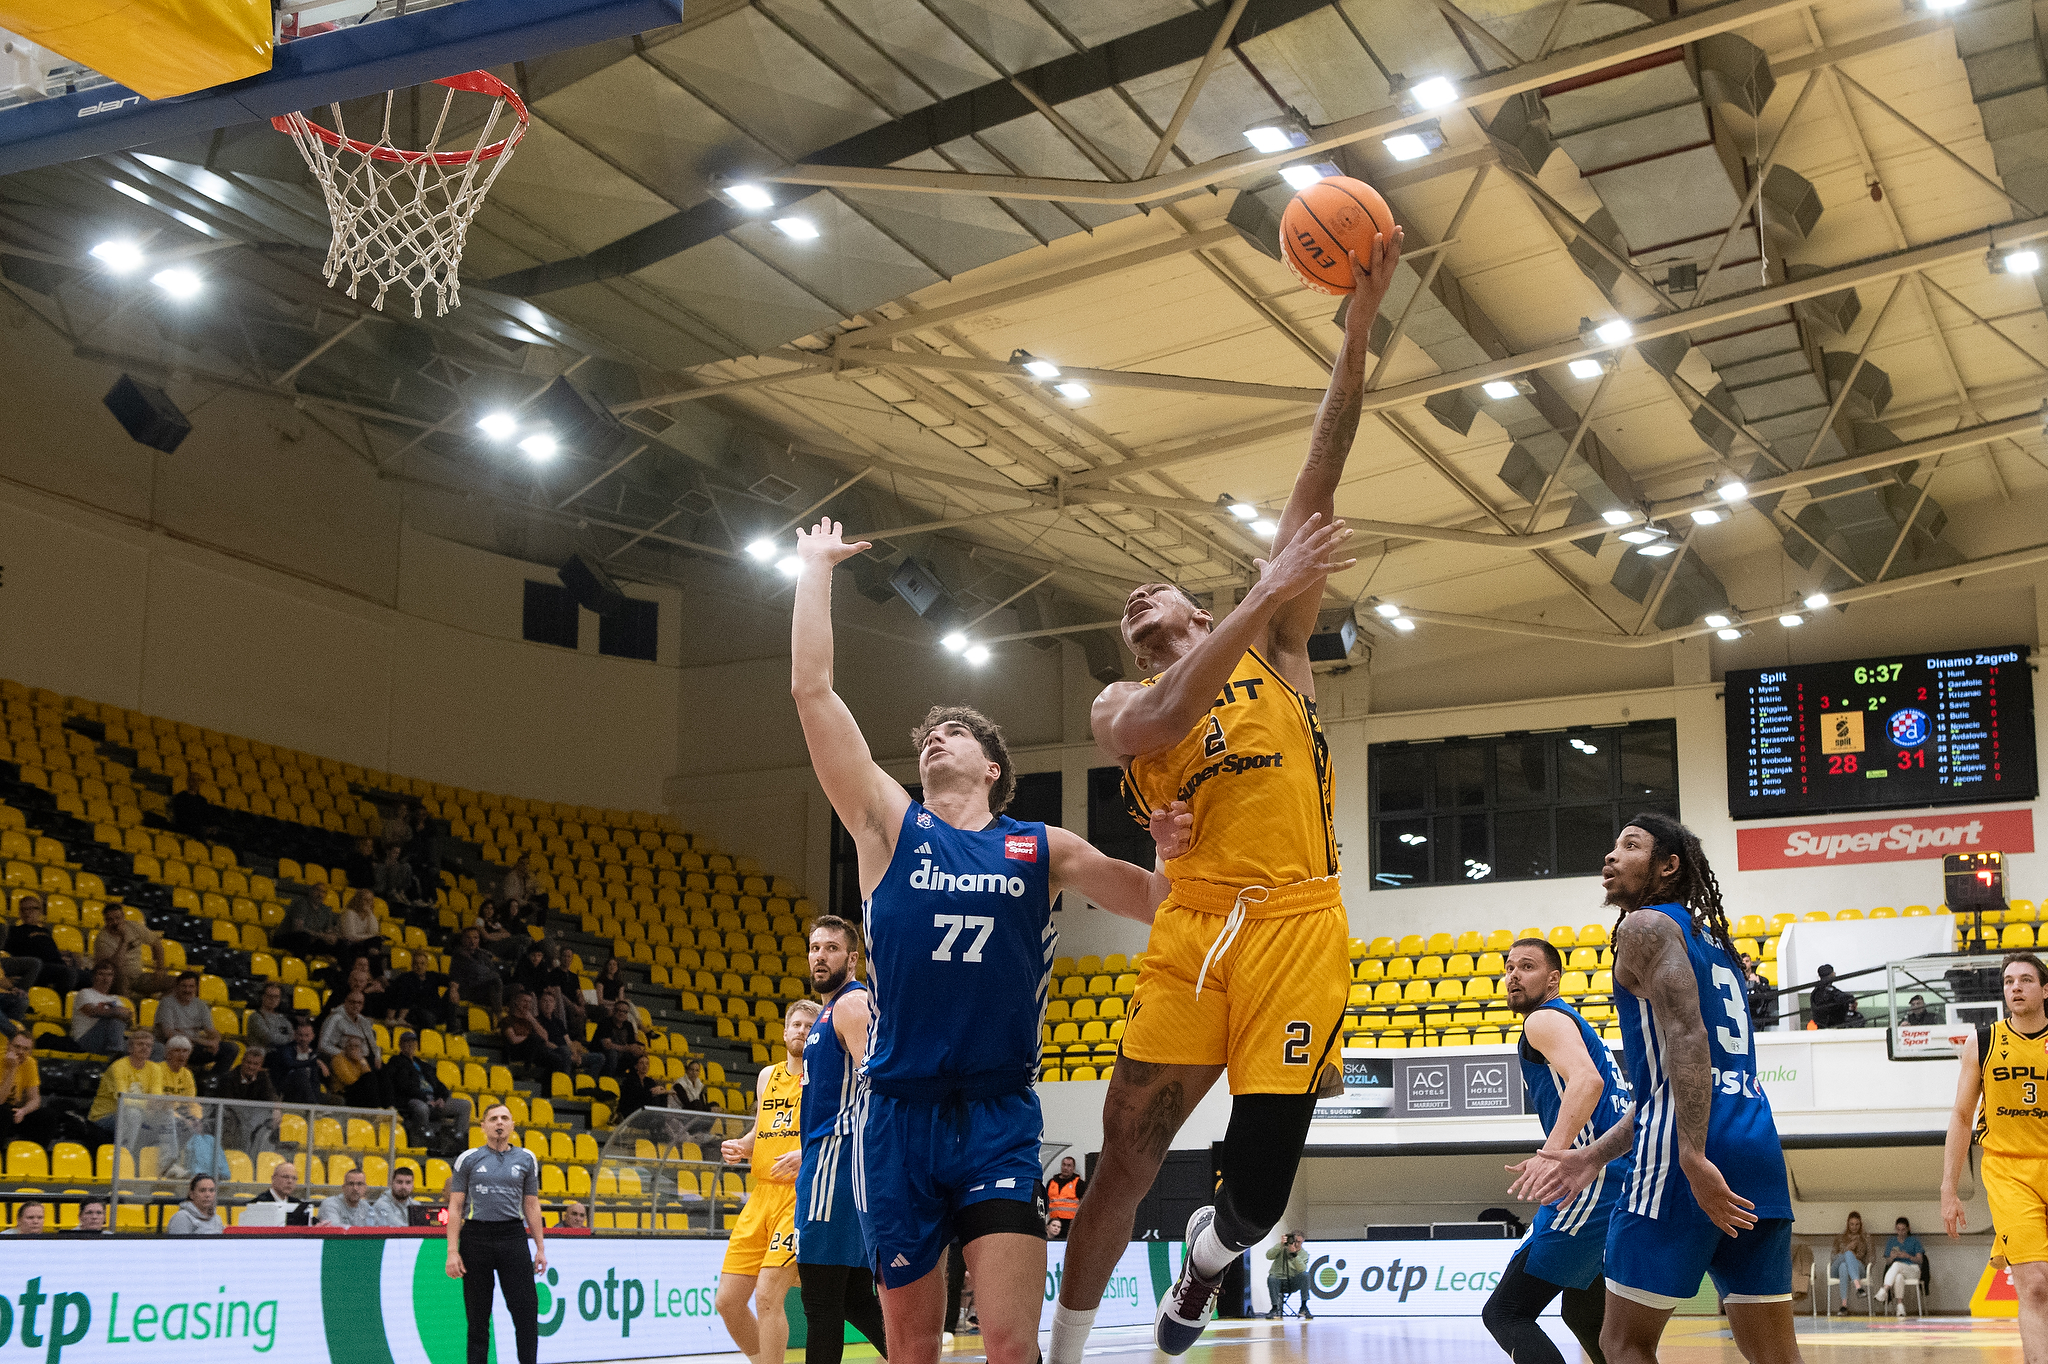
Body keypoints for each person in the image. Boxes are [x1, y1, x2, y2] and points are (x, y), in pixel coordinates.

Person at [1051, 231, 1404, 1364]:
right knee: (1124, 1149)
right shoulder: (1121, 700)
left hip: (1299, 927)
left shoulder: (1279, 646)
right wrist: (1253, 594)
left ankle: (1208, 1257)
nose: (1134, 599)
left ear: (1196, 609)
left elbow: (1321, 466)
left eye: (1156, 592)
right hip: (1196, 921)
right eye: (1126, 607)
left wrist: (1354, 329)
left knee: (1250, 1198)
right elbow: (1155, 724)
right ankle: (1064, 1349)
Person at [790, 518, 1174, 1364]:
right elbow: (815, 695)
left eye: (955, 732)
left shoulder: (1041, 847)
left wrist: (1180, 837)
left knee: (1007, 1341)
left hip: (998, 1115)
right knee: (912, 1344)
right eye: (928, 733)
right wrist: (814, 569)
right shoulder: (888, 826)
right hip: (896, 1115)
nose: (935, 737)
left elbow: (1157, 901)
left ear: (993, 766)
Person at [1514, 815, 1797, 1364]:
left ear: (1668, 866)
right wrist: (1589, 1157)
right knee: (1776, 1356)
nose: (1611, 856)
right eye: (1614, 845)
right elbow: (1663, 1090)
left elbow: (1687, 1040)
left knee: (1622, 1343)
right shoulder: (1711, 940)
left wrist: (1690, 1153)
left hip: (1681, 1154)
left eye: (1631, 845)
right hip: (1756, 1146)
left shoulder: (1644, 926)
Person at [1490, 937, 1634, 1364]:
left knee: (1505, 1312)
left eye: (1527, 966)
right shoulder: (1571, 1022)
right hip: (1615, 1172)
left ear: (1553, 979)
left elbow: (1586, 1082)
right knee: (1585, 1315)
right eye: (1509, 966)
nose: (1513, 975)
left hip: (1590, 1179)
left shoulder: (1544, 1019)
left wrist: (1551, 1155)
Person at [1943, 951, 2048, 1357]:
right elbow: (1961, 1116)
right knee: (2035, 1284)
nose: (2016, 987)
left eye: (2025, 979)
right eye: (2008, 981)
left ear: (2044, 989)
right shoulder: (1983, 1041)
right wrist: (1948, 1187)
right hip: (2009, 1171)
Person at [795, 917, 889, 1364]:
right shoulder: (825, 1013)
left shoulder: (852, 1004)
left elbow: (876, 1079)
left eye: (831, 948)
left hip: (836, 1158)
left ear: (852, 959)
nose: (819, 956)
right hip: (826, 1154)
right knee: (853, 1296)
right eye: (815, 947)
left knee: (819, 1297)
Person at [717, 1000, 818, 1364]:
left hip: (798, 1197)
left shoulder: (822, 1077)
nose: (802, 1031)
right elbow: (763, 1128)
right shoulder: (766, 1076)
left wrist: (807, 1155)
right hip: (760, 1196)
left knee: (768, 1296)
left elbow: (835, 1133)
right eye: (796, 1024)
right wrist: (742, 1146)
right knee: (728, 1301)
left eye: (810, 1025)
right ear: (785, 1031)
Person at [447, 1102, 548, 1364]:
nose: (499, 1123)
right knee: (478, 1317)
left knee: (526, 1313)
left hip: (512, 1235)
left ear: (513, 1125)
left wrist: (540, 1248)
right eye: (493, 1119)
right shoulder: (468, 1159)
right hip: (476, 1237)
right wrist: (452, 1251)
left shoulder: (527, 1158)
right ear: (483, 1126)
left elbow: (531, 1205)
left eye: (505, 1118)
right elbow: (456, 1206)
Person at [388, 1030, 473, 1148]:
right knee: (422, 1108)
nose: (410, 1045)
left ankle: (457, 1141)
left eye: (413, 1042)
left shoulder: (424, 1065)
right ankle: (425, 1140)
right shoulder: (396, 1062)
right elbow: (403, 1085)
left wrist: (441, 1098)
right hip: (414, 1099)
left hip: (433, 1100)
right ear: (400, 1045)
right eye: (407, 1042)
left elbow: (439, 1085)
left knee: (465, 1105)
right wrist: (424, 1099)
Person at [154, 971, 241, 1078]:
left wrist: (215, 1041)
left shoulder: (201, 1005)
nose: (187, 990)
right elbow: (169, 1034)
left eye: (191, 986)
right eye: (184, 986)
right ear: (177, 987)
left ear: (196, 988)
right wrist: (204, 1042)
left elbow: (211, 1031)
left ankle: (211, 1081)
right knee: (178, 1044)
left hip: (194, 1046)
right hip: (172, 1046)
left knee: (231, 1049)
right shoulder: (167, 1003)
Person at [89, 1028, 162, 1139]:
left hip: (141, 1112)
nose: (145, 1048)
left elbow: (157, 1097)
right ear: (130, 1048)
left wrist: (154, 1106)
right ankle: (126, 1154)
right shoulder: (118, 1067)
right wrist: (149, 1105)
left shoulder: (155, 1068)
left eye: (149, 1045)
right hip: (106, 1116)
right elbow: (124, 1100)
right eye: (140, 1044)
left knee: (167, 1116)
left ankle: (168, 1155)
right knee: (133, 1114)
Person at [6, 893, 83, 994]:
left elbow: (51, 950)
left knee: (90, 976)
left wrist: (64, 955)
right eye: (24, 909)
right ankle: (59, 1001)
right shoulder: (13, 931)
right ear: (20, 912)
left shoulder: (45, 931)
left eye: (33, 908)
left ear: (40, 911)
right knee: (69, 973)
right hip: (36, 968)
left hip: (55, 966)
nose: (28, 912)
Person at [93, 906, 173, 998]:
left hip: (139, 976)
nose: (115, 922)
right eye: (110, 920)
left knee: (178, 983)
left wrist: (160, 968)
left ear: (123, 917)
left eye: (117, 918)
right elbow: (115, 965)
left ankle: (158, 1007)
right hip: (117, 980)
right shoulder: (102, 940)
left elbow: (156, 942)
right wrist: (124, 940)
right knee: (121, 978)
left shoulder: (133, 927)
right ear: (105, 921)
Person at [217, 1045, 279, 1154]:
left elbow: (271, 1096)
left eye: (256, 1064)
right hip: (232, 1117)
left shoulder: (263, 1077)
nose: (251, 1067)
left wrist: (276, 1110)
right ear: (242, 1061)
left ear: (260, 1066)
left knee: (271, 1122)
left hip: (253, 1118)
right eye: (248, 1063)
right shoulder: (228, 1078)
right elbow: (229, 1104)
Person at [69, 961, 133, 1054]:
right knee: (114, 1020)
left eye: (109, 975)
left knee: (154, 1046)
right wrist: (116, 1011)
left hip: (110, 1038)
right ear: (94, 976)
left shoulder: (116, 998)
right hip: (85, 1039)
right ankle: (115, 1054)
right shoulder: (85, 993)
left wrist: (120, 1013)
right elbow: (91, 1011)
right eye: (101, 974)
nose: (105, 979)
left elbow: (128, 1017)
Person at [0, 1030, 44, 1149]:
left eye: (25, 1049)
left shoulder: (30, 1063)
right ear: (8, 1045)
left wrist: (23, 1111)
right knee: (3, 1113)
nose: (20, 1052)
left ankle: (34, 1157)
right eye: (17, 1047)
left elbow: (35, 1099)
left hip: (14, 1110)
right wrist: (12, 1069)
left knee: (46, 1117)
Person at [270, 1018, 330, 1105]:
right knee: (301, 1073)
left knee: (336, 1100)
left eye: (307, 1035)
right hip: (289, 1092)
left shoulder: (313, 1054)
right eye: (300, 1035)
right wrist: (313, 1062)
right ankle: (313, 1106)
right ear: (295, 1035)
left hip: (307, 1093)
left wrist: (314, 1062)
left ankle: (315, 1106)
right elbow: (290, 1064)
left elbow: (315, 1081)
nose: (303, 1039)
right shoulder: (287, 1050)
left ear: (312, 1036)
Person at [450, 928, 504, 1015]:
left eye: (475, 938)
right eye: (468, 938)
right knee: (495, 980)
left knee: (517, 988)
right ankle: (499, 1017)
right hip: (471, 992)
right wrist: (453, 990)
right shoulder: (459, 956)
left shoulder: (481, 954)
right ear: (462, 939)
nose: (472, 941)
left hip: (487, 991)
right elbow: (455, 978)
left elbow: (494, 969)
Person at [1876, 1217, 1925, 1312]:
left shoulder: (1914, 1241)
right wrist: (1892, 1257)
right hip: (1897, 1271)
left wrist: (1908, 1256)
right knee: (1898, 1276)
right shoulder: (1891, 1242)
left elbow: (1920, 1260)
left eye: (1903, 1230)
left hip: (1913, 1270)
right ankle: (1900, 1306)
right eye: (1898, 1230)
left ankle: (1884, 1289)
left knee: (1897, 1265)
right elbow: (1888, 1262)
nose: (1901, 1232)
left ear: (1908, 1229)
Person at [319, 991, 382, 1064]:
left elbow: (373, 1044)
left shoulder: (364, 1021)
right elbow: (323, 1045)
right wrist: (345, 1054)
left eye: (359, 1003)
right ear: (346, 1002)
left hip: (364, 1060)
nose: (356, 1006)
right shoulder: (335, 1019)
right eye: (353, 1002)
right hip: (344, 1060)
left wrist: (377, 1056)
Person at [332, 1033, 393, 1108]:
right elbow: (349, 1080)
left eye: (356, 1046)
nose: (353, 1048)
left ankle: (388, 1107)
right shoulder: (339, 1059)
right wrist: (362, 1062)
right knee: (369, 1078)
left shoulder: (360, 1059)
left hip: (359, 1091)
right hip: (345, 1091)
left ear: (360, 1049)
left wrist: (361, 1061)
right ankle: (376, 1109)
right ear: (345, 1047)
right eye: (350, 1046)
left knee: (382, 1075)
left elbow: (368, 1075)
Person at [590, 997, 647, 1076]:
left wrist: (637, 1050)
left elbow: (632, 1044)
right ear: (614, 1011)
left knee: (639, 1056)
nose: (621, 1013)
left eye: (625, 1012)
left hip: (620, 1055)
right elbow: (607, 1045)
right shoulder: (605, 1022)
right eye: (619, 1010)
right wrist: (626, 1048)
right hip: (602, 1053)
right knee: (612, 1053)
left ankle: (634, 1081)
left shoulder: (628, 1025)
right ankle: (609, 1078)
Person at [249, 1161, 315, 1225]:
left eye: (294, 1178)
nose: (290, 1181)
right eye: (285, 1177)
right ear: (273, 1179)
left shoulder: (298, 1205)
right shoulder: (258, 1204)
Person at [1828, 1212, 1871, 1311]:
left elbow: (1870, 1258)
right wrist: (1847, 1250)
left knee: (1844, 1266)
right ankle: (1858, 1287)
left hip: (1858, 1267)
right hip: (1837, 1267)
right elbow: (1833, 1257)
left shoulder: (1865, 1238)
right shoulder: (1840, 1238)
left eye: (1857, 1224)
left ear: (1861, 1225)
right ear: (1848, 1224)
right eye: (1852, 1224)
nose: (1854, 1227)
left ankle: (1844, 1305)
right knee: (1846, 1257)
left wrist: (1853, 1257)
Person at [1264, 1233, 1309, 1319]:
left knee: (1305, 1275)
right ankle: (1274, 1308)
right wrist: (1280, 1245)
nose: (1296, 1244)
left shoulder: (1303, 1254)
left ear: (1302, 1242)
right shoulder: (1281, 1248)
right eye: (1294, 1241)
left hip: (1292, 1282)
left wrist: (1294, 1254)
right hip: (1278, 1280)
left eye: (1299, 1242)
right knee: (1272, 1278)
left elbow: (1302, 1269)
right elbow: (1268, 1256)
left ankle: (1303, 1307)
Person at [245, 982, 298, 1052]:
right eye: (270, 996)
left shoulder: (282, 1018)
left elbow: (292, 1035)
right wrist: (289, 1038)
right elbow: (269, 1038)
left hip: (280, 1054)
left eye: (276, 997)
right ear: (263, 996)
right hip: (261, 1055)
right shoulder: (255, 1017)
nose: (273, 999)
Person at [1045, 1157, 1084, 1231]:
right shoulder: (1052, 1182)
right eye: (1064, 1165)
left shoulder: (1079, 1183)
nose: (1065, 1168)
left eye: (1069, 1165)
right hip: (1054, 1223)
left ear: (1073, 1168)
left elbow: (1084, 1203)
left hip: (1070, 1223)